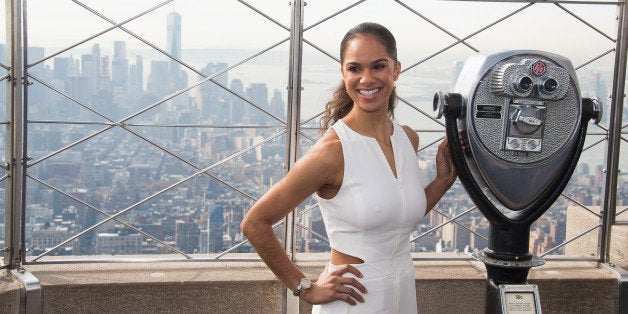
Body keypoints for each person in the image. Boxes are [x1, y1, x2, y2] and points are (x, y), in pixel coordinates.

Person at [241, 22, 457, 313]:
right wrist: (305, 288)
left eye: (378, 66)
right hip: (352, 303)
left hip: (403, 295)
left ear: (396, 70)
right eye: (355, 68)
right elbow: (255, 223)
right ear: (343, 74)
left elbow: (398, 214)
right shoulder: (332, 152)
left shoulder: (408, 138)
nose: (367, 79)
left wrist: (442, 180)